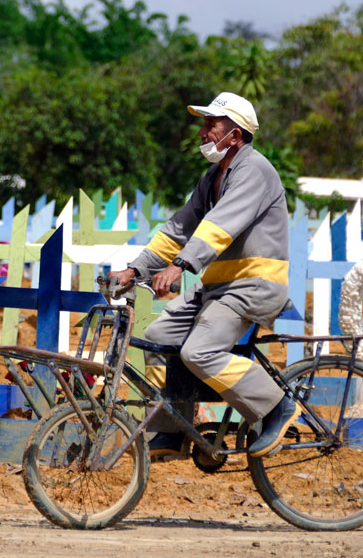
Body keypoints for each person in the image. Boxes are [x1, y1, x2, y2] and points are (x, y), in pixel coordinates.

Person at [108, 91, 297, 458]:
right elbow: (179, 229)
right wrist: (135, 269)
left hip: (253, 285)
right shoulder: (213, 176)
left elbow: (218, 227)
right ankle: (174, 429)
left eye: (212, 125)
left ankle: (276, 407)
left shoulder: (254, 169)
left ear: (236, 134)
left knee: (198, 351)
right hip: (219, 288)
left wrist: (180, 266)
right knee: (159, 337)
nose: (203, 133)